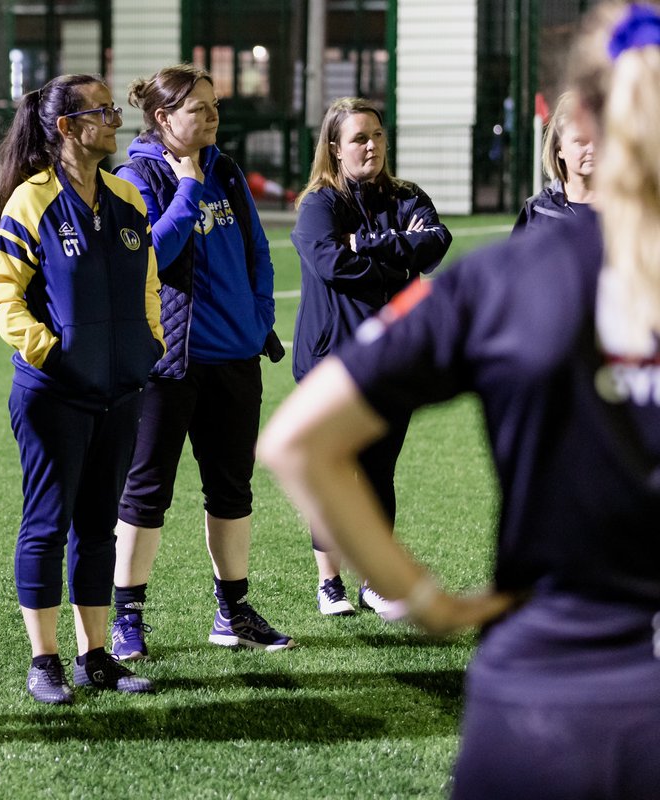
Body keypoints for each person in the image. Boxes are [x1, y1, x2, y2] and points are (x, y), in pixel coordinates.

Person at [261, 2, 660, 796]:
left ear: (576, 117)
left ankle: (351, 584)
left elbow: (296, 442)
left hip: (543, 698)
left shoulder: (514, 275)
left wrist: (424, 599)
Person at [0, 73, 166, 704]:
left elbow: (148, 283)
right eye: (104, 111)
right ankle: (45, 661)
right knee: (46, 525)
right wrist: (51, 352)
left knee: (98, 528)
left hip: (120, 391)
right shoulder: (30, 201)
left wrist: (150, 343)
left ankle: (96, 657)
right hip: (53, 394)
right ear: (67, 128)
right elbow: (2, 299)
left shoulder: (127, 198)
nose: (115, 119)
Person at [107, 64, 293, 661]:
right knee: (145, 492)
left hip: (236, 358)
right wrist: (186, 194)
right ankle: (127, 615)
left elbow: (256, 249)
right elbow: (146, 257)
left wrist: (259, 316)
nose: (212, 117)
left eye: (214, 106)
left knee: (231, 491)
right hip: (170, 364)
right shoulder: (135, 175)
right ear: (163, 118)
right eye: (199, 109)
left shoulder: (227, 169)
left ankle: (232, 610)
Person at [290, 97, 452, 618]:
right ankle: (329, 580)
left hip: (392, 359)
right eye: (359, 138)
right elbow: (332, 263)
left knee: (379, 469)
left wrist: (369, 242)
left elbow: (436, 241)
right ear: (335, 148)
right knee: (334, 468)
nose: (372, 146)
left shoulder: (406, 195)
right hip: (330, 360)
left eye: (377, 135)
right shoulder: (319, 202)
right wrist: (396, 268)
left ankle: (375, 582)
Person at [512, 90, 597, 235]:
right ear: (559, 149)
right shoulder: (537, 210)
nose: (593, 149)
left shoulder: (628, 208)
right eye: (581, 141)